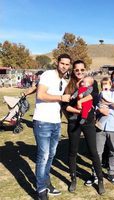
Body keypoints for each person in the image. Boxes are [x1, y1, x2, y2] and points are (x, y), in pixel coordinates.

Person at [32, 54, 71, 200]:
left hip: (56, 122)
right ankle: (41, 190)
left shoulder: (63, 81)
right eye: (62, 63)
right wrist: (61, 97)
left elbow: (62, 105)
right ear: (57, 63)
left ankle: (46, 182)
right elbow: (40, 94)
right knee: (43, 156)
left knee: (51, 155)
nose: (64, 67)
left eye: (67, 65)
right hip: (43, 122)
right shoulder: (48, 75)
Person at [64, 60, 105, 195]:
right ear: (73, 71)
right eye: (77, 70)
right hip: (73, 122)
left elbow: (94, 97)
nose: (80, 72)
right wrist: (78, 111)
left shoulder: (92, 83)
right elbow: (65, 106)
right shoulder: (68, 86)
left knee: (93, 152)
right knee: (72, 152)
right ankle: (73, 178)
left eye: (82, 70)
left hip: (88, 122)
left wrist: (81, 101)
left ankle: (100, 180)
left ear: (85, 70)